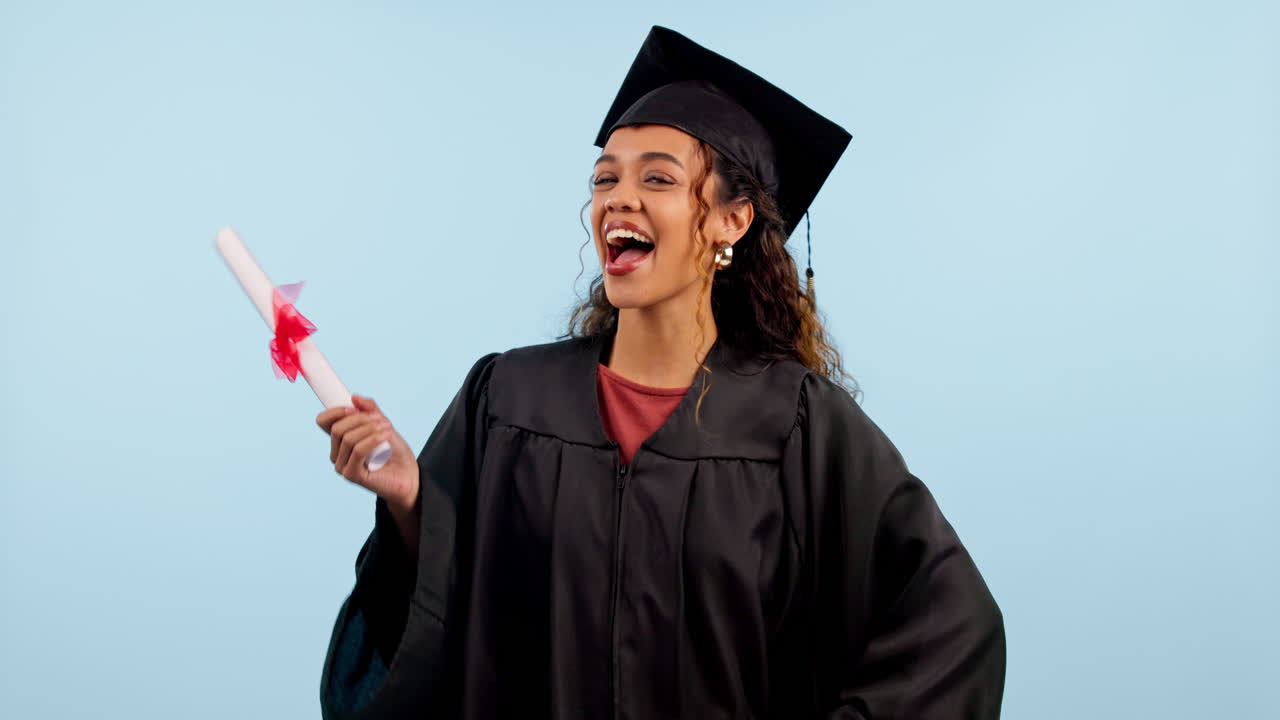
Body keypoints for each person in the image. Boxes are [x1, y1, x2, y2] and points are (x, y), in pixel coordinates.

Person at [315, 26, 1005, 720]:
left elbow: (951, 627)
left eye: (657, 178)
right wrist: (411, 504)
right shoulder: (507, 403)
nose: (618, 197)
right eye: (605, 177)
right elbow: (441, 621)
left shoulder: (796, 426)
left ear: (731, 221)